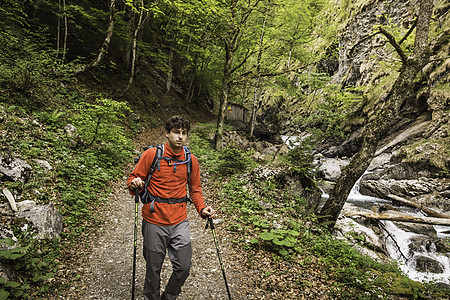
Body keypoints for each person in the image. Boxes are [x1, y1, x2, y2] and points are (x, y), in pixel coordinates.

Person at [127, 115, 215, 300]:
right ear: (167, 133)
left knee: (183, 267)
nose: (180, 137)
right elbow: (134, 178)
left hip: (179, 221)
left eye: (184, 133)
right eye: (176, 132)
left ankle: (169, 296)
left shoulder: (191, 161)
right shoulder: (152, 155)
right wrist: (135, 183)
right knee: (153, 269)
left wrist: (202, 209)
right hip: (154, 220)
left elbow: (195, 190)